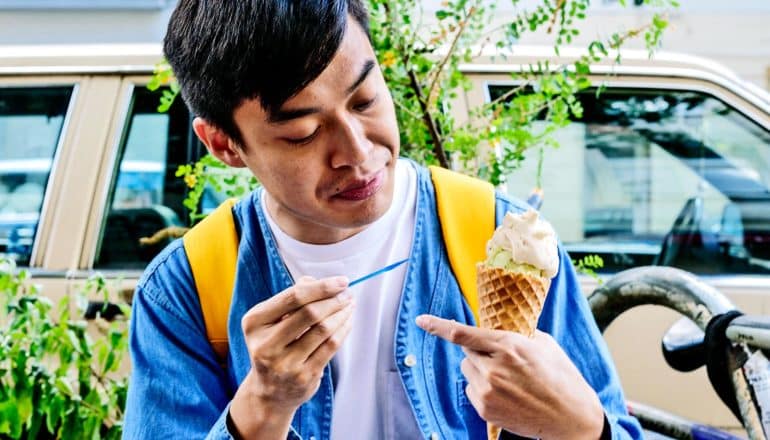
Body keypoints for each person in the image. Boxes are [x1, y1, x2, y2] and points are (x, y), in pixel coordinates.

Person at [123, 1, 643, 439]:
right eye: (303, 132)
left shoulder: (500, 238)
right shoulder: (188, 288)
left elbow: (610, 424)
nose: (357, 151)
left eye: (366, 99)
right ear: (223, 144)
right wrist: (263, 404)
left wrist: (582, 427)